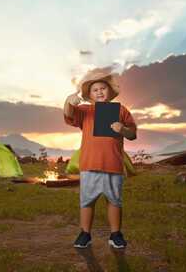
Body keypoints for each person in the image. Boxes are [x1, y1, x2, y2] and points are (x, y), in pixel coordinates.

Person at [63, 69, 137, 249]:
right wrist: (68, 101)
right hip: (90, 164)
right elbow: (68, 114)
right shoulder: (85, 111)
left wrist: (123, 129)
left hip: (113, 164)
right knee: (87, 200)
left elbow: (133, 134)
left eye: (103, 88)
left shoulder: (121, 110)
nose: (100, 92)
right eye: (95, 90)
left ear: (109, 91)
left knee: (114, 200)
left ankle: (115, 234)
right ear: (89, 95)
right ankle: (85, 234)